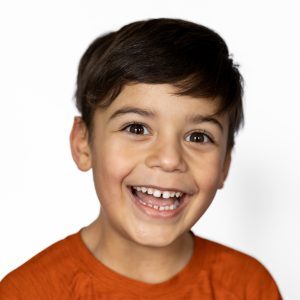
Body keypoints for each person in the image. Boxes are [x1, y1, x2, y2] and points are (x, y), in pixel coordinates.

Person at [0, 18, 282, 299]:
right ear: (83, 143)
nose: (169, 159)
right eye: (136, 128)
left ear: (224, 165)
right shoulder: (26, 292)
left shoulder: (249, 287)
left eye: (198, 137)